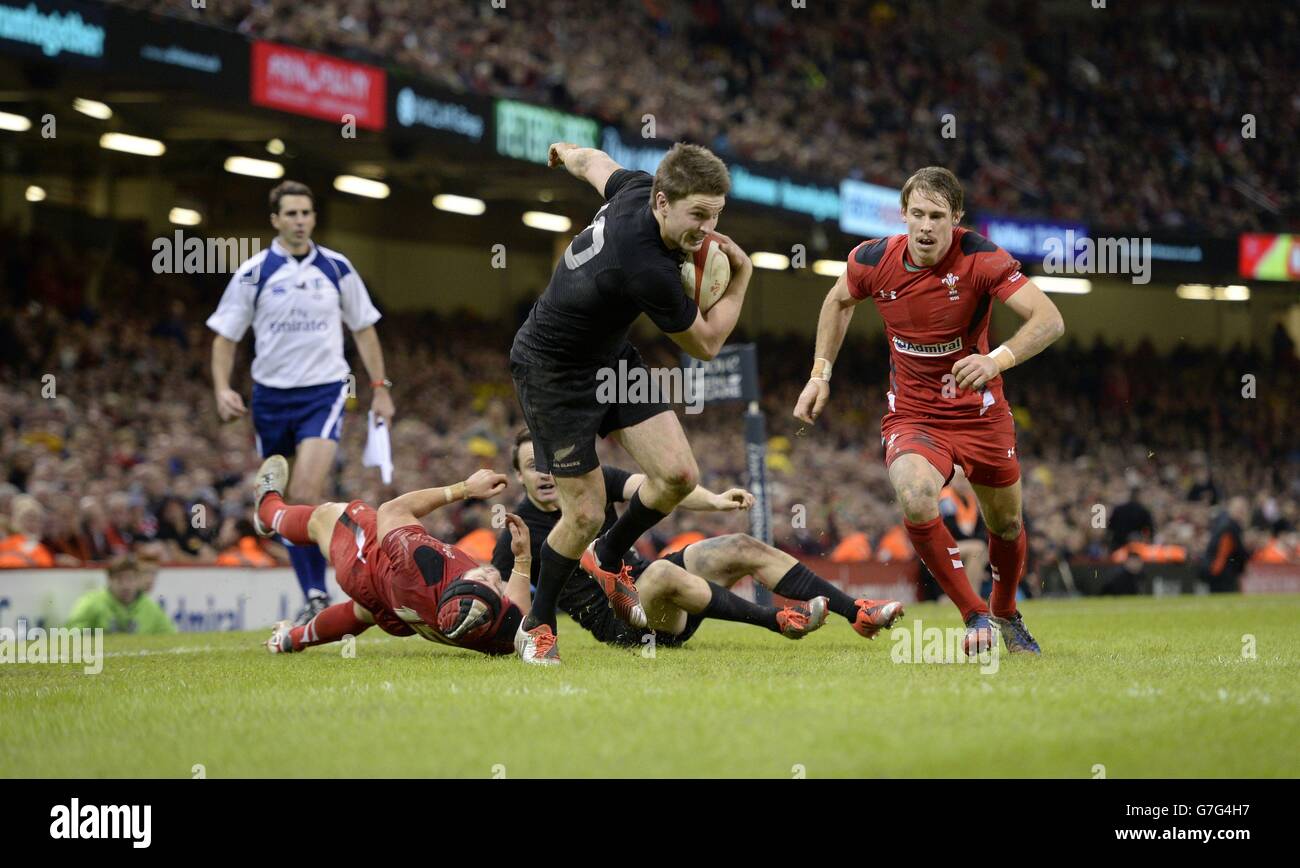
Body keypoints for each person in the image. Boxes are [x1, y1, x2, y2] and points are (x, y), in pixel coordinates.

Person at [794, 166, 1066, 656]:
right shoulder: (873, 259)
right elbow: (837, 303)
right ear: (903, 214)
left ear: (955, 217)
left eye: (936, 216)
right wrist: (820, 374)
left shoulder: (981, 257)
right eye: (916, 214)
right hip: (915, 414)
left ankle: (1005, 610)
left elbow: (1049, 319)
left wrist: (994, 359)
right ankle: (974, 615)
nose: (924, 226)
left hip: (981, 413)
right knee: (916, 494)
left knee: (1005, 524)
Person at [508, 141, 754, 664]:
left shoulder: (637, 186)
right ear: (663, 203)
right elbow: (707, 344)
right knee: (585, 513)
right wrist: (743, 279)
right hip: (554, 372)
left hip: (608, 359)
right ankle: (538, 623)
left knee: (679, 476)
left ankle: (611, 555)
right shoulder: (648, 267)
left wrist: (564, 151)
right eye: (699, 214)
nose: (708, 228)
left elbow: (594, 163)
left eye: (716, 215)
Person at [491, 429, 903, 647]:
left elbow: (659, 486)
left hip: (654, 583)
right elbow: (508, 603)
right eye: (532, 466)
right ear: (519, 475)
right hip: (626, 625)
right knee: (659, 577)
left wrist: (716, 502)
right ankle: (778, 621)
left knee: (739, 545)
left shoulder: (593, 484)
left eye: (549, 463)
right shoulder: (519, 531)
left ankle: (858, 612)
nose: (544, 474)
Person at [207, 180, 395, 626]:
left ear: (313, 218)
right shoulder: (253, 272)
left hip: (325, 392)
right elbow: (224, 338)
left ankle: (316, 593)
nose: (299, 221)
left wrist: (380, 386)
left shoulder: (336, 268)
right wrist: (221, 388)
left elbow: (364, 328)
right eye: (290, 214)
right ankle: (307, 584)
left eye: (306, 213)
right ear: (275, 220)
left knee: (306, 493)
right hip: (269, 398)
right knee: (283, 503)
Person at [251, 456, 529, 657]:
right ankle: (290, 639)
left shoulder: (424, 561)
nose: (493, 575)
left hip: (365, 565)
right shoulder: (495, 635)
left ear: (455, 584)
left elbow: (392, 510)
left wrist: (463, 489)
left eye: (484, 578)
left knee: (324, 517)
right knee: (363, 612)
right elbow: (520, 619)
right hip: (400, 615)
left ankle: (267, 510)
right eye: (496, 586)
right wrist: (522, 560)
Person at [66, 550, 176, 634]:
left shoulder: (151, 608)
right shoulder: (91, 603)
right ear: (109, 580)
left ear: (138, 580)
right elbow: (70, 635)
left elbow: (171, 637)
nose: (126, 585)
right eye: (119, 579)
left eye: (130, 579)